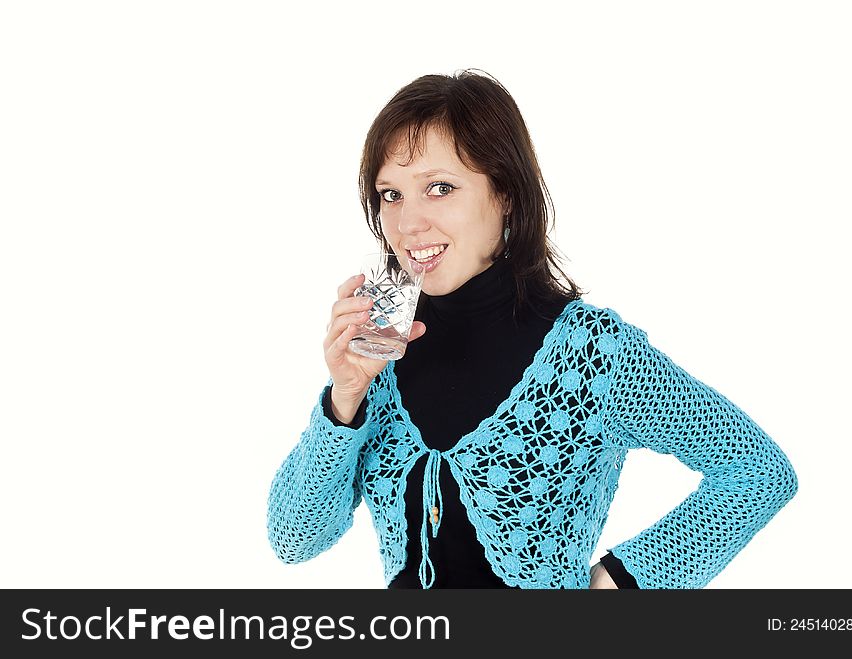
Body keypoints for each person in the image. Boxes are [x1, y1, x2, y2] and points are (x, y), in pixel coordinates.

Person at [266, 69, 798, 589]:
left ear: (506, 195)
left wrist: (620, 585)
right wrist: (345, 398)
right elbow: (293, 539)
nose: (407, 224)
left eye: (440, 188)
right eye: (391, 194)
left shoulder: (592, 353)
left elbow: (757, 474)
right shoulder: (380, 356)